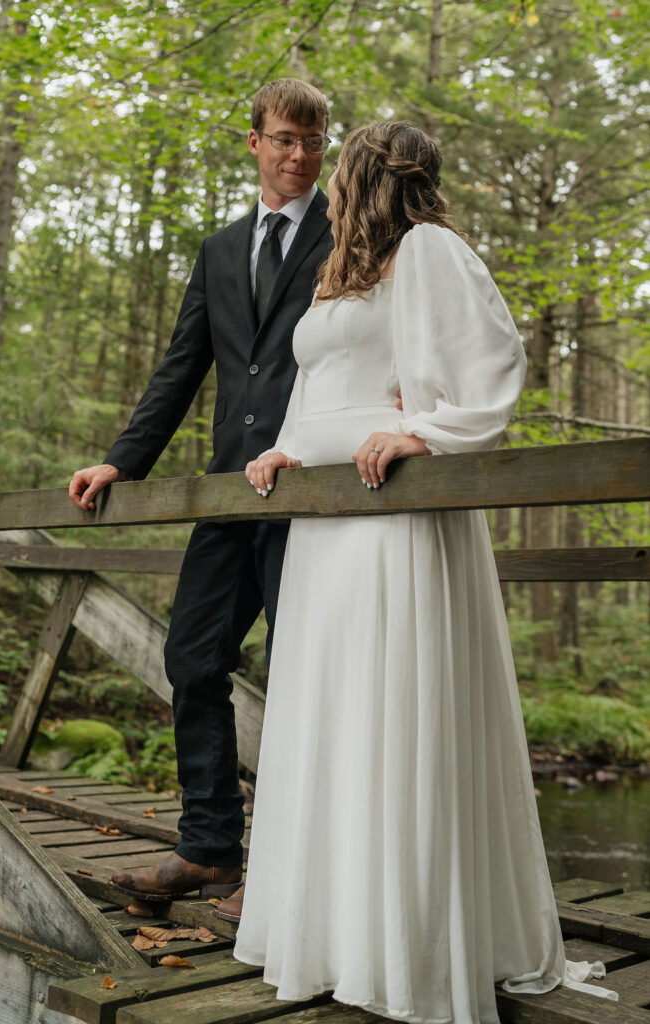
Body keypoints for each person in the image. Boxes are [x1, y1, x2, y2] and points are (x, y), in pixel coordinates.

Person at [234, 122, 617, 1021]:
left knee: (388, 711)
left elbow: (491, 364)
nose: (322, 186)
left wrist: (426, 432)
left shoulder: (429, 251)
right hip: (328, 525)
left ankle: (403, 950)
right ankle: (331, 934)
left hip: (394, 523)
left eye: (339, 174)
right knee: (331, 718)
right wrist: (286, 450)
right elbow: (317, 386)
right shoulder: (342, 274)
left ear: (366, 178)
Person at [68, 78, 333, 903]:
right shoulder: (219, 250)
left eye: (312, 141)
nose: (299, 156)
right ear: (252, 140)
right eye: (284, 139)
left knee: (313, 675)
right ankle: (211, 848)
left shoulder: (349, 231)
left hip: (316, 494)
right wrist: (123, 459)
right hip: (229, 495)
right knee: (190, 660)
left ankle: (313, 869)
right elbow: (182, 365)